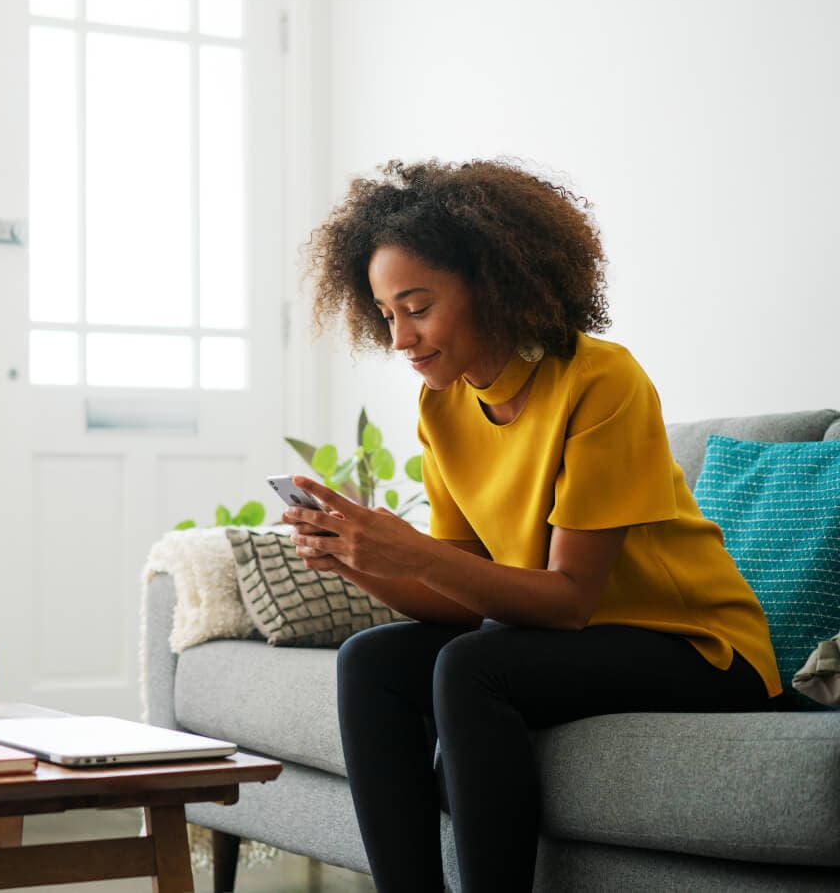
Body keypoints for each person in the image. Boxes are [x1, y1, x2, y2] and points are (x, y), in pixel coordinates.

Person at [283, 158, 780, 892]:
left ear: (490, 284)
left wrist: (410, 551)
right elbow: (461, 599)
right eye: (387, 314)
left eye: (417, 307)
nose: (400, 338)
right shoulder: (442, 406)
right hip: (571, 640)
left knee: (473, 664)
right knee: (371, 660)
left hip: (698, 646)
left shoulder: (600, 381)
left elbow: (568, 598)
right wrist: (360, 557)